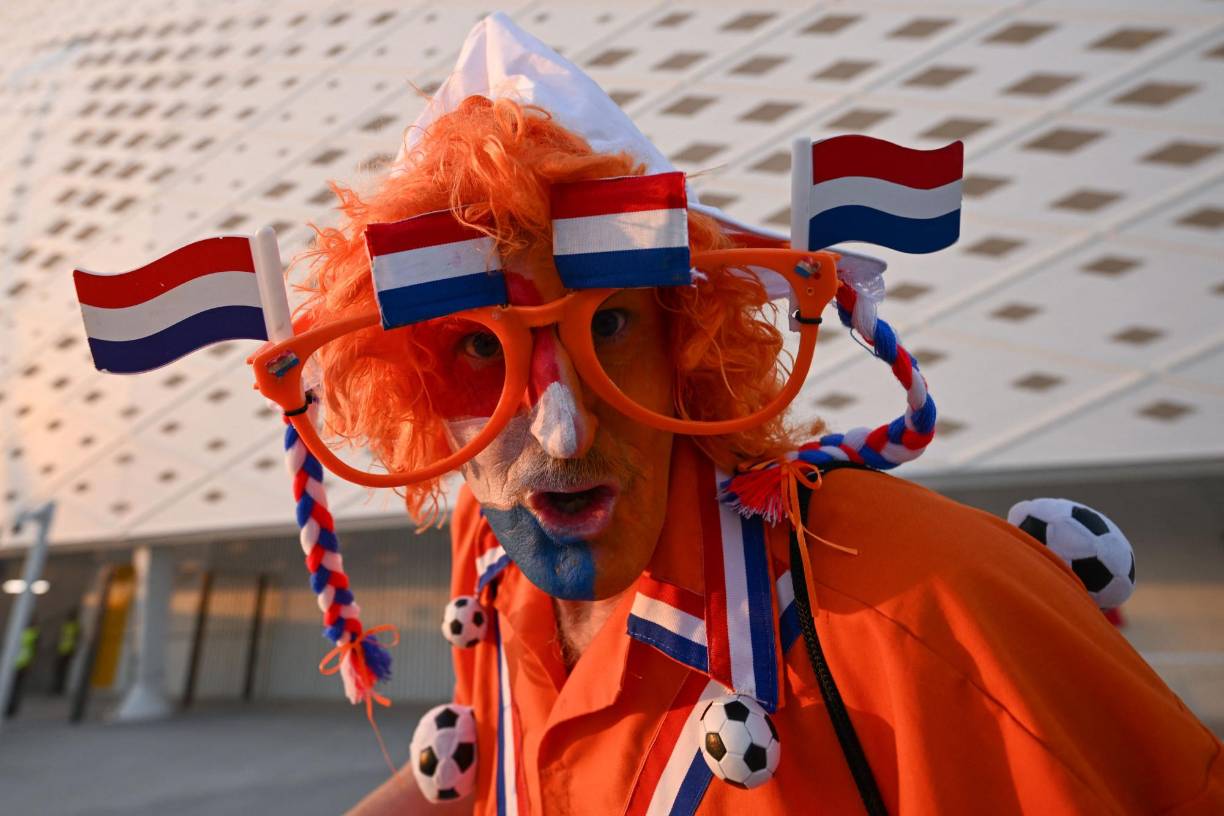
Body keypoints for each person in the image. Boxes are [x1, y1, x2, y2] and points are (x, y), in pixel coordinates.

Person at [254, 16, 1222, 816]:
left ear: (688, 342)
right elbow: (509, 770)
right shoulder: (494, 558)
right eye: (479, 348)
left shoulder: (926, 608)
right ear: (416, 382)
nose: (561, 430)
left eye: (614, 323)